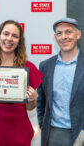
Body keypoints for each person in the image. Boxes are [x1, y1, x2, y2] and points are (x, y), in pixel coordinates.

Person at [0, 20, 44, 146]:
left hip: (19, 130)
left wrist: (32, 100)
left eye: (15, 36)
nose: (9, 38)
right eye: (6, 34)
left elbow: (30, 107)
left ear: (19, 41)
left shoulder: (28, 68)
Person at [37, 17, 84, 146]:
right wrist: (44, 125)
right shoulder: (45, 66)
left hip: (82, 133)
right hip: (54, 134)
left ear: (78, 34)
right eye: (59, 33)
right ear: (55, 37)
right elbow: (41, 102)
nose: (64, 37)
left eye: (68, 32)